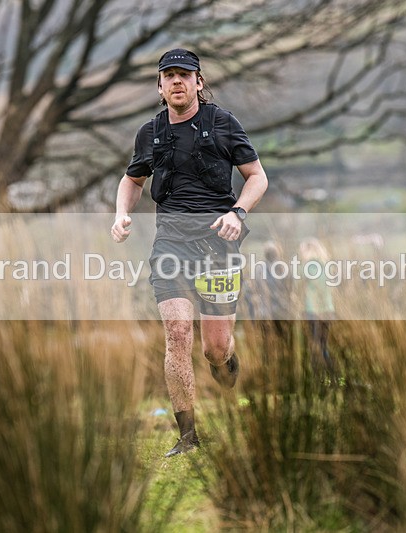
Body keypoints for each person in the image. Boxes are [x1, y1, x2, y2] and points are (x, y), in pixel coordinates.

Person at [110, 48, 268, 457]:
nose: (177, 81)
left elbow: (256, 177)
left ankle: (226, 361)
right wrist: (121, 214)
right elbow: (132, 179)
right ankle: (188, 436)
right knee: (178, 332)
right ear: (160, 87)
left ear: (199, 82)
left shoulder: (223, 123)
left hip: (219, 241)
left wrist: (238, 211)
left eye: (185, 74)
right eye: (169, 75)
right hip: (171, 243)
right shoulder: (150, 132)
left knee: (215, 348)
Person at [298, 237, 337, 381]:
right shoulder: (327, 266)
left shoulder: (308, 267)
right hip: (328, 311)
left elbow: (297, 284)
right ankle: (333, 377)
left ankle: (317, 380)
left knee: (314, 347)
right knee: (323, 346)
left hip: (313, 312)